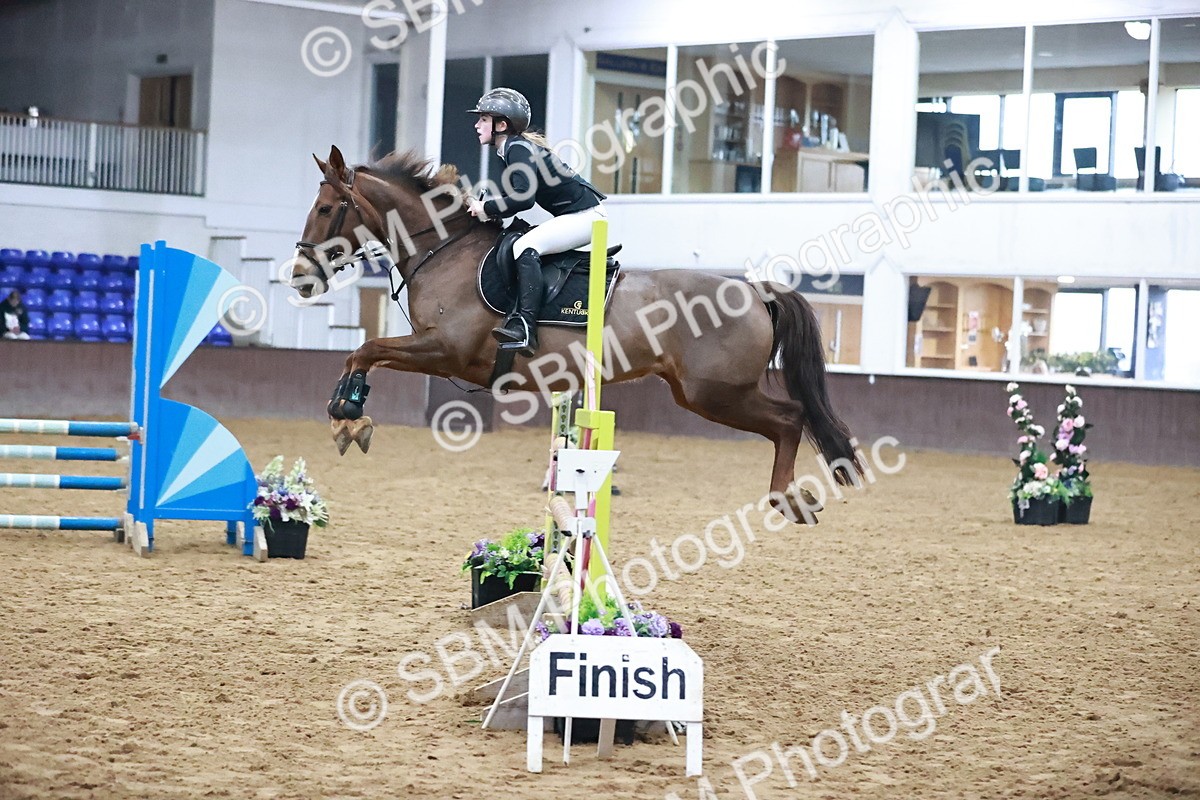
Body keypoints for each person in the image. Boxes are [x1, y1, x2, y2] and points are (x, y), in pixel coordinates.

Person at [466, 88, 607, 357]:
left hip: (586, 217)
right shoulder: (513, 149)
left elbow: (523, 198)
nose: (477, 124)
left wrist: (486, 206)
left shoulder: (517, 148)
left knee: (524, 246)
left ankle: (525, 327)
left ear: (501, 124)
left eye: (483, 119)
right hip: (577, 216)